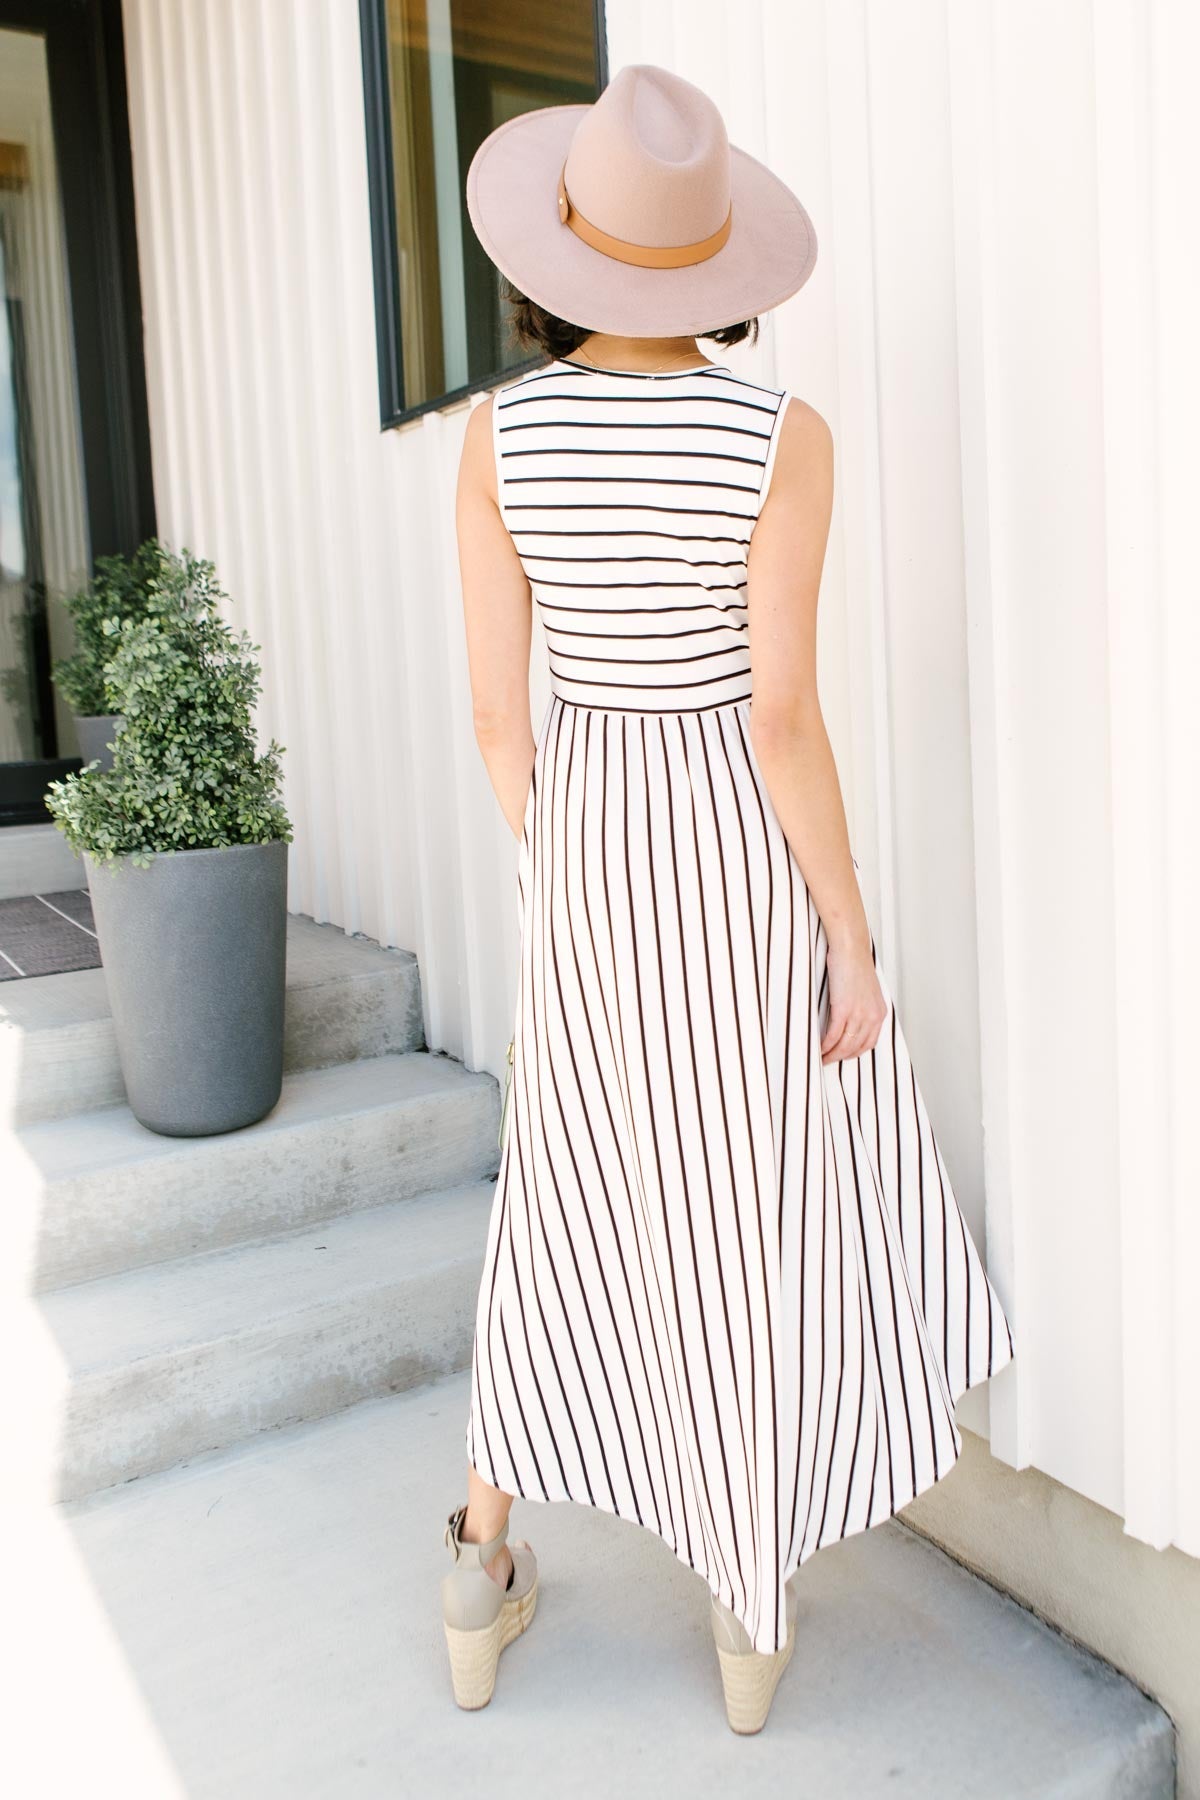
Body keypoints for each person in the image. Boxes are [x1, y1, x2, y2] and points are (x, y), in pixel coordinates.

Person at [443, 62, 1015, 1735]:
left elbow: (497, 712)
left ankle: (480, 1561)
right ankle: (747, 1618)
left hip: (593, 840)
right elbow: (779, 715)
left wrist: (569, 865)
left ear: (566, 246)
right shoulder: (783, 437)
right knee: (739, 1204)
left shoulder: (498, 432)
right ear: (715, 265)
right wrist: (847, 933)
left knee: (562, 1196)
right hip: (729, 850)